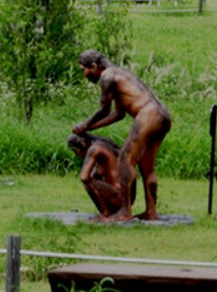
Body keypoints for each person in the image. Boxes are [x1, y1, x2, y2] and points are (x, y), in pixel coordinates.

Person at [72, 49, 171, 221]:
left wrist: (84, 125)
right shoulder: (119, 74)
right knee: (147, 167)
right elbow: (118, 114)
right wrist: (90, 128)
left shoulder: (107, 77)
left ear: (94, 66)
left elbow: (104, 110)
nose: (85, 74)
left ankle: (125, 212)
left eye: (84, 70)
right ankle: (151, 211)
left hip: (148, 114)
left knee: (125, 160)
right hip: (162, 115)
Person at [67, 131, 136, 220]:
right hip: (128, 199)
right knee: (95, 177)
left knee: (87, 182)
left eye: (76, 151)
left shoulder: (94, 149)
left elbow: (84, 177)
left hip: (119, 197)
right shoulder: (106, 146)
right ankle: (114, 211)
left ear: (83, 144)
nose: (76, 155)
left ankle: (105, 213)